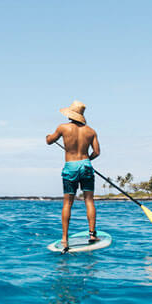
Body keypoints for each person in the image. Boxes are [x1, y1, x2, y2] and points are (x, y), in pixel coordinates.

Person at [45, 100, 100, 251]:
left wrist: (48, 136)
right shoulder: (91, 131)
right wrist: (87, 158)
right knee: (89, 200)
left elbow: (50, 141)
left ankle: (64, 239)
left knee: (67, 203)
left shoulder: (63, 128)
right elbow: (96, 152)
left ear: (70, 114)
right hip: (86, 165)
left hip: (71, 167)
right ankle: (92, 234)